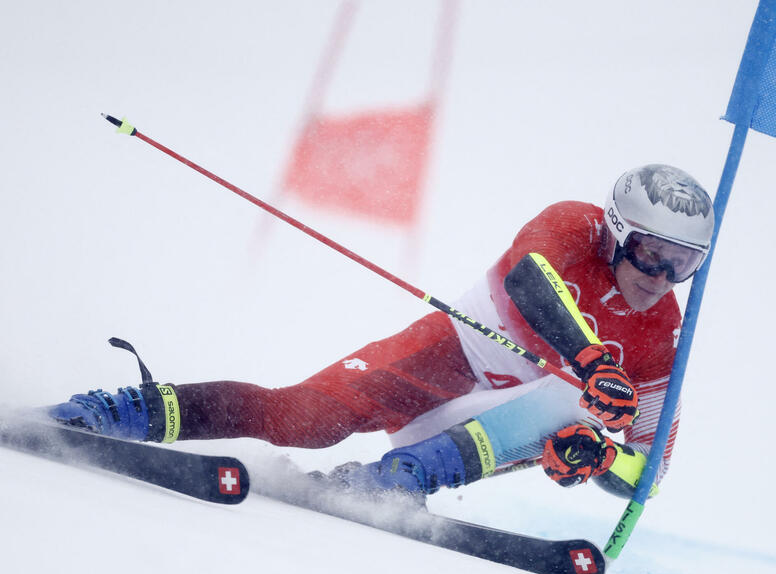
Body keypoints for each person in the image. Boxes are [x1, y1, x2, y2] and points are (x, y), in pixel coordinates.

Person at [46, 164, 714, 502]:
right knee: (300, 418)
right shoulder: (574, 227)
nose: (661, 277)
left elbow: (646, 475)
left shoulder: (663, 334)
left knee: (581, 404)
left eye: (684, 265)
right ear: (618, 234)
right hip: (448, 354)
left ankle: (390, 482)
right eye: (653, 253)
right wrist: (592, 358)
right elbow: (527, 283)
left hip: (482, 432)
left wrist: (596, 460)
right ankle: (122, 411)